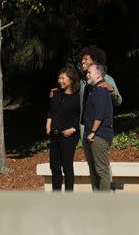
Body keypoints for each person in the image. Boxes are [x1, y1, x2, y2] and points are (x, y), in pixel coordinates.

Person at [46, 67, 80, 191]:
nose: (59, 81)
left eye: (63, 78)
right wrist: (48, 126)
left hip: (69, 137)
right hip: (54, 135)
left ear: (71, 80)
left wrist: (73, 129)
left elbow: (82, 115)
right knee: (54, 167)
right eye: (59, 78)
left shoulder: (78, 97)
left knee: (67, 167)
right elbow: (51, 111)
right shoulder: (55, 94)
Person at [81, 63, 114, 191]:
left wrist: (93, 132)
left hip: (98, 135)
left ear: (98, 74)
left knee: (101, 170)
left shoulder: (101, 90)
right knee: (93, 169)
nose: (87, 74)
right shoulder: (92, 89)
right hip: (90, 134)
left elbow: (99, 115)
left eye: (89, 72)